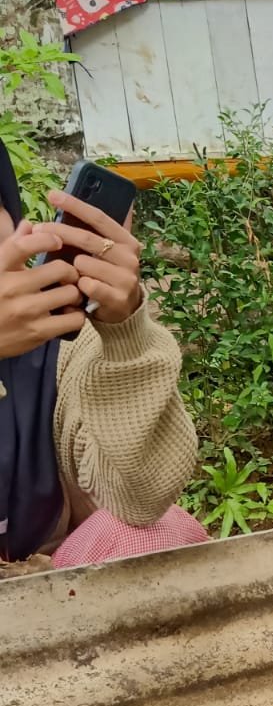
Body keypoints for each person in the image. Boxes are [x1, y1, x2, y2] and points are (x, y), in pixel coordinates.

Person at [0, 139, 203, 570]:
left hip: (50, 603)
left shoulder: (63, 348)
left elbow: (141, 499)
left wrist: (126, 336)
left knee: (160, 531)